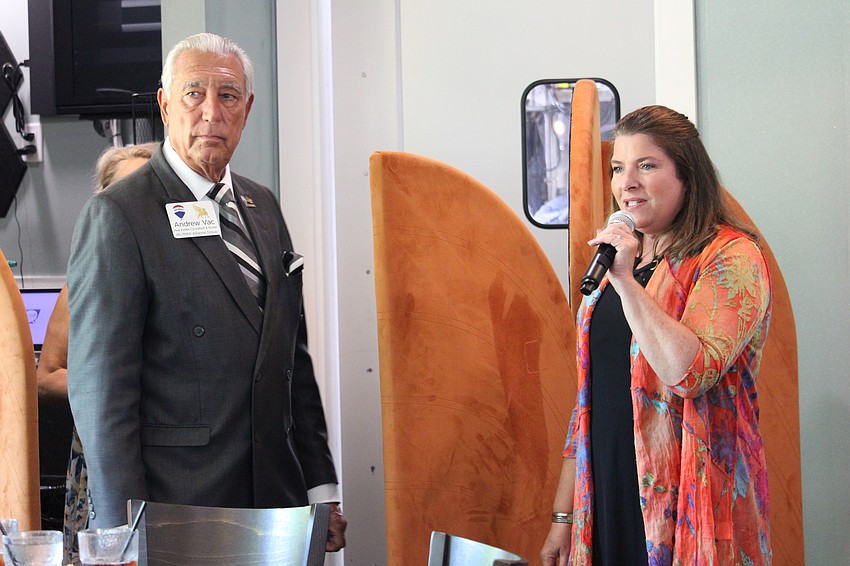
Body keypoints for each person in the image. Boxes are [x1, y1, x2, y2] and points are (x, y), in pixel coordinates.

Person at [66, 33, 346, 551]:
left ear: (248, 108)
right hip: (179, 514)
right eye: (194, 93)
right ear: (165, 103)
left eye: (229, 95)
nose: (211, 112)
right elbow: (103, 398)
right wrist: (123, 535)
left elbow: (292, 364)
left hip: (279, 509)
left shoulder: (263, 207)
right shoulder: (120, 216)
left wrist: (320, 489)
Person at [540, 106, 772, 565]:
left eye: (646, 165)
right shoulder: (616, 263)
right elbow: (588, 398)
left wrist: (627, 281)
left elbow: (688, 374)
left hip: (693, 500)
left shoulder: (730, 258)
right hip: (607, 493)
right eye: (618, 168)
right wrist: (563, 517)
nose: (627, 182)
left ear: (687, 176)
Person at [36, 142, 159, 564]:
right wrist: (107, 383)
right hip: (101, 459)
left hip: (173, 457)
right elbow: (46, 376)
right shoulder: (81, 283)